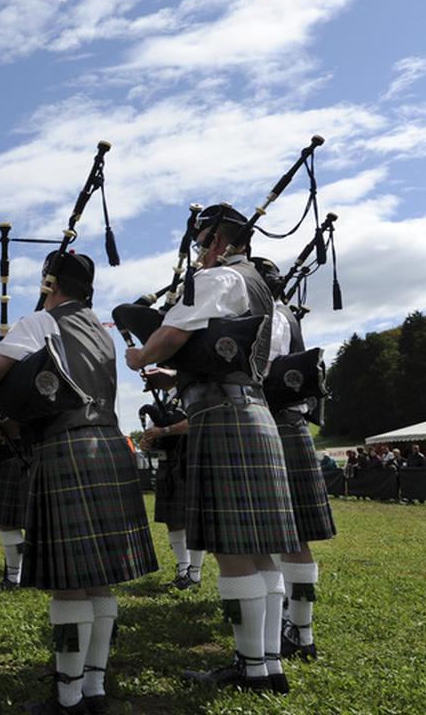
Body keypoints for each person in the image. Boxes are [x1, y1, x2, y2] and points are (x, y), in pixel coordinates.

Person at [0, 249, 157, 714]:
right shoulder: (101, 332)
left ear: (50, 285)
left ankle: (68, 697)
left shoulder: (40, 322)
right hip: (111, 445)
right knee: (101, 583)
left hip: (66, 448)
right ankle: (94, 689)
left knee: (70, 584)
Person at [126, 205, 300, 694]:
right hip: (254, 412)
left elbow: (172, 333)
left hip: (222, 418)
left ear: (218, 242)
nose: (200, 254)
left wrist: (143, 355)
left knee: (231, 551)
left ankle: (249, 667)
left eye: (203, 244)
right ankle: (267, 665)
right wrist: (176, 376)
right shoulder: (262, 291)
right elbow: (226, 356)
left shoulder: (220, 278)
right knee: (261, 552)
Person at [250, 256, 337, 665]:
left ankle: (271, 640)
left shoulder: (264, 315)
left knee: (265, 538)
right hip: (295, 424)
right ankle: (302, 633)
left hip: (267, 422)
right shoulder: (287, 315)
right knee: (297, 536)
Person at [140, 399, 203, 591]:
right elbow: (153, 430)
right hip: (167, 464)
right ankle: (183, 570)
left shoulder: (189, 394)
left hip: (187, 462)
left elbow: (195, 421)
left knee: (192, 519)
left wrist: (164, 431)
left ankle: (195, 573)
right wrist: (147, 440)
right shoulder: (160, 401)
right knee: (172, 520)